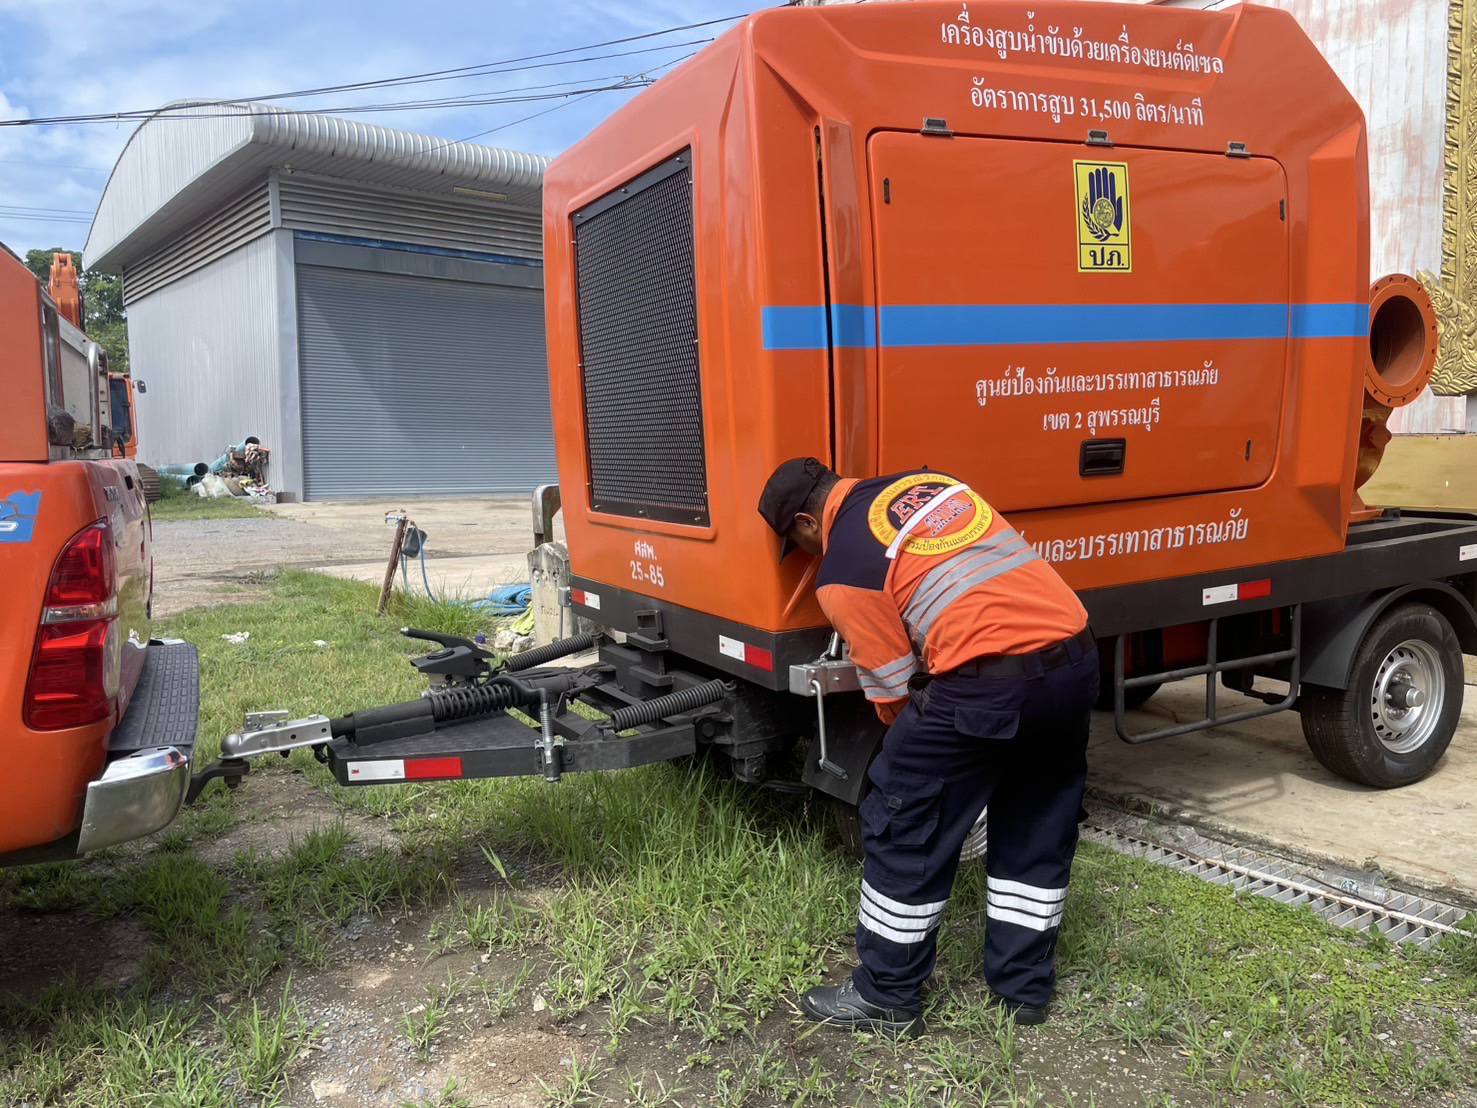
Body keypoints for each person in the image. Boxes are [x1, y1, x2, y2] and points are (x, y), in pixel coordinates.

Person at [757, 458, 1098, 1036]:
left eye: (800, 544)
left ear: (808, 523)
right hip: (1075, 661)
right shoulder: (928, 483)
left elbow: (894, 691)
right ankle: (1023, 990)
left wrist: (925, 770)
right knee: (1037, 817)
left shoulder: (844, 569)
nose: (809, 555)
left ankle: (886, 994)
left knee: (904, 818)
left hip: (986, 684)